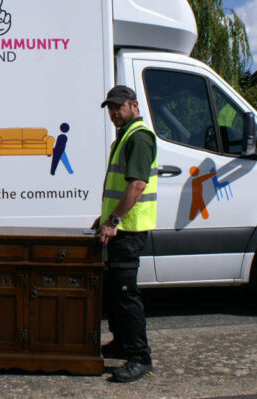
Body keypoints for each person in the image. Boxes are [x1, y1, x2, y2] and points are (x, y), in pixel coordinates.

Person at [93, 85, 157, 383]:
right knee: (116, 292)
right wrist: (105, 217)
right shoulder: (125, 136)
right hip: (121, 227)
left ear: (134, 106)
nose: (114, 112)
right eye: (110, 108)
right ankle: (121, 343)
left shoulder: (139, 137)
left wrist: (114, 220)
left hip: (129, 230)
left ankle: (139, 357)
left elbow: (137, 185)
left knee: (125, 294)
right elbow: (120, 186)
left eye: (119, 106)